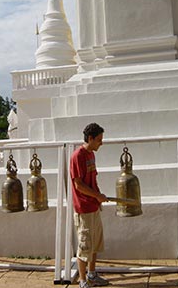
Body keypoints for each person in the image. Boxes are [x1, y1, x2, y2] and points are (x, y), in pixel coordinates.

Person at [70, 123, 109, 288]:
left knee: (95, 244)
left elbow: (93, 180)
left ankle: (92, 274)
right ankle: (82, 280)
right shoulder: (77, 156)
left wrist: (98, 197)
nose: (101, 143)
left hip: (93, 206)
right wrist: (97, 196)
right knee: (84, 246)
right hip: (83, 208)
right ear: (90, 138)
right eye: (99, 139)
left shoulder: (91, 155)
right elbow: (78, 185)